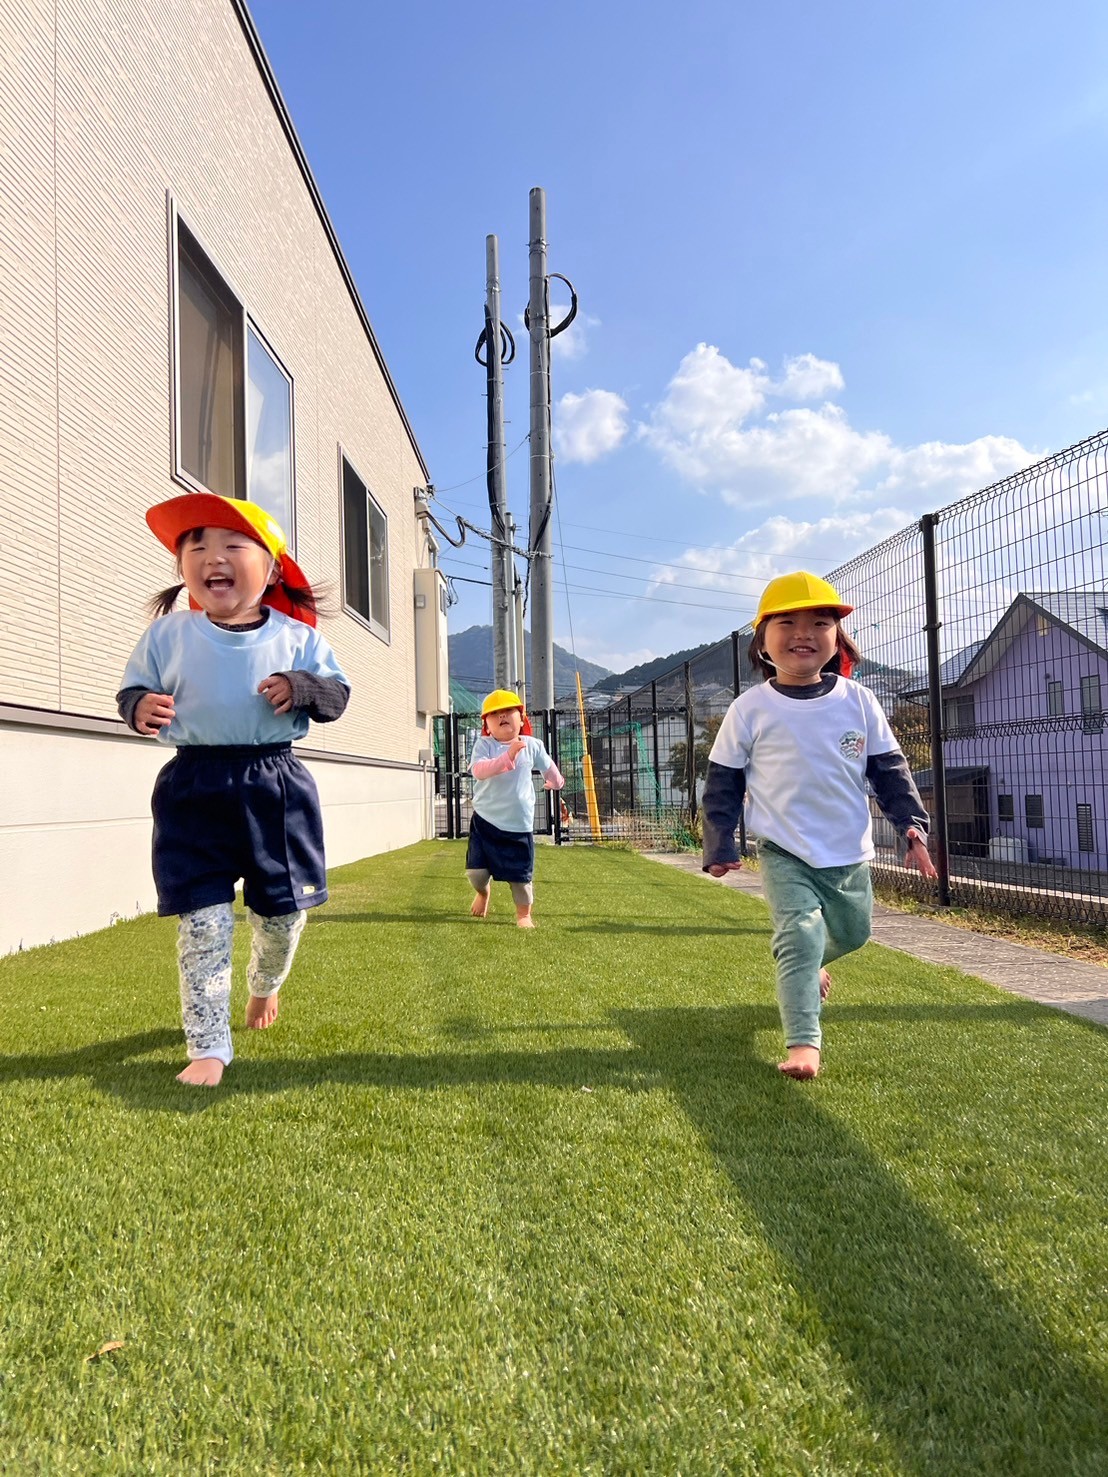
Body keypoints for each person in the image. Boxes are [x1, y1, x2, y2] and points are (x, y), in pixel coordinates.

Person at [117, 492, 350, 1087]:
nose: (212, 556)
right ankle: (208, 1045)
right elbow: (133, 691)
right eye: (196, 546)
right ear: (183, 567)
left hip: (276, 787)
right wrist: (139, 707)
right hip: (193, 787)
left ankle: (265, 983)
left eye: (231, 544)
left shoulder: (298, 638)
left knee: (282, 919)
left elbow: (336, 696)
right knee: (203, 923)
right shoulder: (167, 635)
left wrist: (302, 687)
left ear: (270, 569)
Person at [701, 571, 937, 1080]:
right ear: (762, 640)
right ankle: (804, 1044)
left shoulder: (859, 701)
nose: (803, 632)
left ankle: (806, 962)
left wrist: (913, 828)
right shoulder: (749, 709)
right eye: (786, 622)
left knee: (854, 933)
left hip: (849, 852)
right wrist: (720, 844)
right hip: (784, 851)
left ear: (838, 638)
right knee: (801, 935)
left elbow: (890, 773)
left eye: (820, 622)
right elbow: (722, 785)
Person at [467, 689, 565, 928]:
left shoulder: (532, 745)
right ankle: (483, 893)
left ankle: (523, 915)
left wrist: (555, 782)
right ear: (486, 725)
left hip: (518, 825)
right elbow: (479, 771)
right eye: (494, 713)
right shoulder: (484, 745)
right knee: (476, 873)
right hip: (485, 821)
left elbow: (548, 767)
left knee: (521, 877)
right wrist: (507, 756)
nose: (502, 715)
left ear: (522, 719)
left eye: (508, 710)